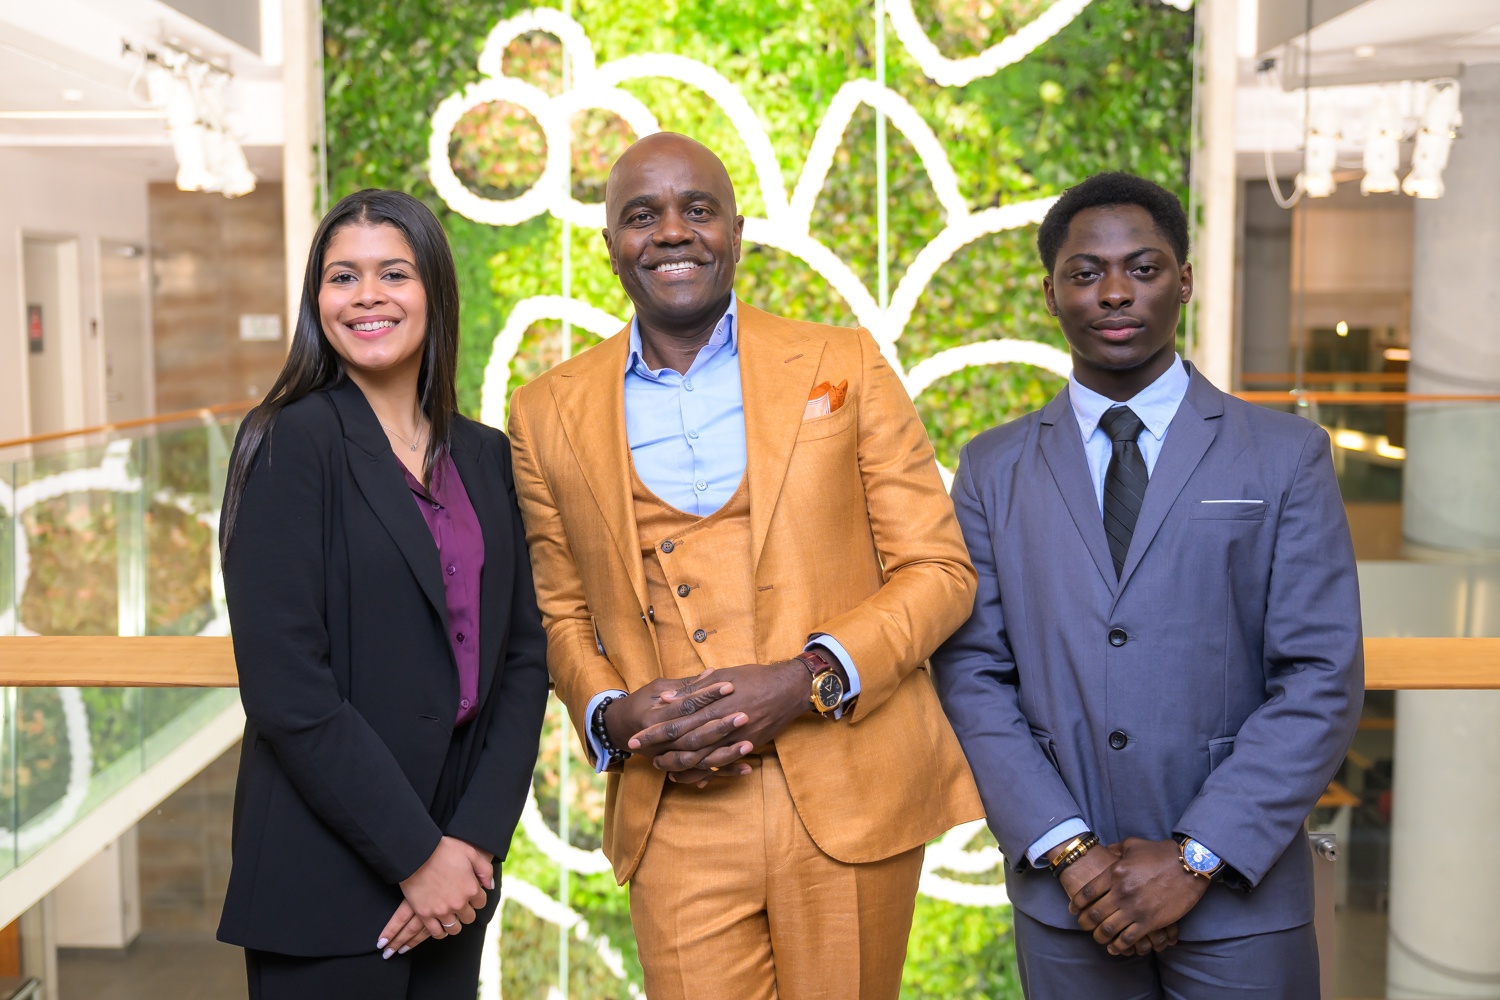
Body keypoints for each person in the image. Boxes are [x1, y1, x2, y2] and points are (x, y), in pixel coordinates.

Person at [506, 132, 982, 1000]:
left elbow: (939, 569)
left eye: (698, 209)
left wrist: (807, 679)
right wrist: (613, 716)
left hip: (849, 786)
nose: (672, 232)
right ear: (610, 243)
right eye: (641, 216)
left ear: (736, 230)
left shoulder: (845, 362)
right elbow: (562, 615)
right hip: (674, 808)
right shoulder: (543, 413)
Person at [931, 172, 1363, 999]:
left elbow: (1319, 677)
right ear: (1050, 295)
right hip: (1070, 903)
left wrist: (1198, 854)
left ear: (1185, 281)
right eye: (1086, 273)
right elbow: (971, 673)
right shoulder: (992, 467)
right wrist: (1068, 849)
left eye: (1145, 267)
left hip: (1244, 897)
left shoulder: (1285, 455)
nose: (1116, 292)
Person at [216, 189, 550, 999]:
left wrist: (471, 842)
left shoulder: (485, 456)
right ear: (317, 301)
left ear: (434, 289)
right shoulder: (289, 441)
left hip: (458, 873)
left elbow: (521, 658)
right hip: (327, 873)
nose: (367, 296)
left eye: (393, 273)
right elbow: (288, 687)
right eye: (342, 277)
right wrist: (414, 856)